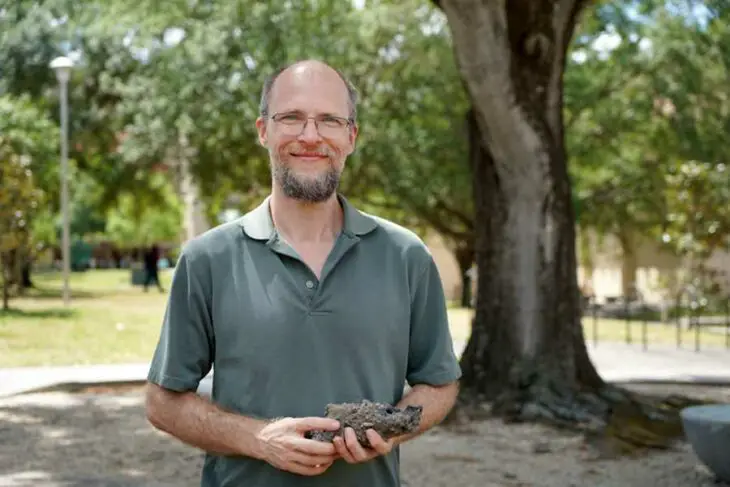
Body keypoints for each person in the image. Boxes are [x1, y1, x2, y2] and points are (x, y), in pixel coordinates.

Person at [144, 59, 461, 487]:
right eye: (291, 118)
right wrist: (258, 439)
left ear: (351, 137)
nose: (310, 137)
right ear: (263, 131)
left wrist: (394, 427)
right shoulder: (207, 258)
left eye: (329, 120)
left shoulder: (406, 255)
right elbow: (163, 402)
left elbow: (439, 385)